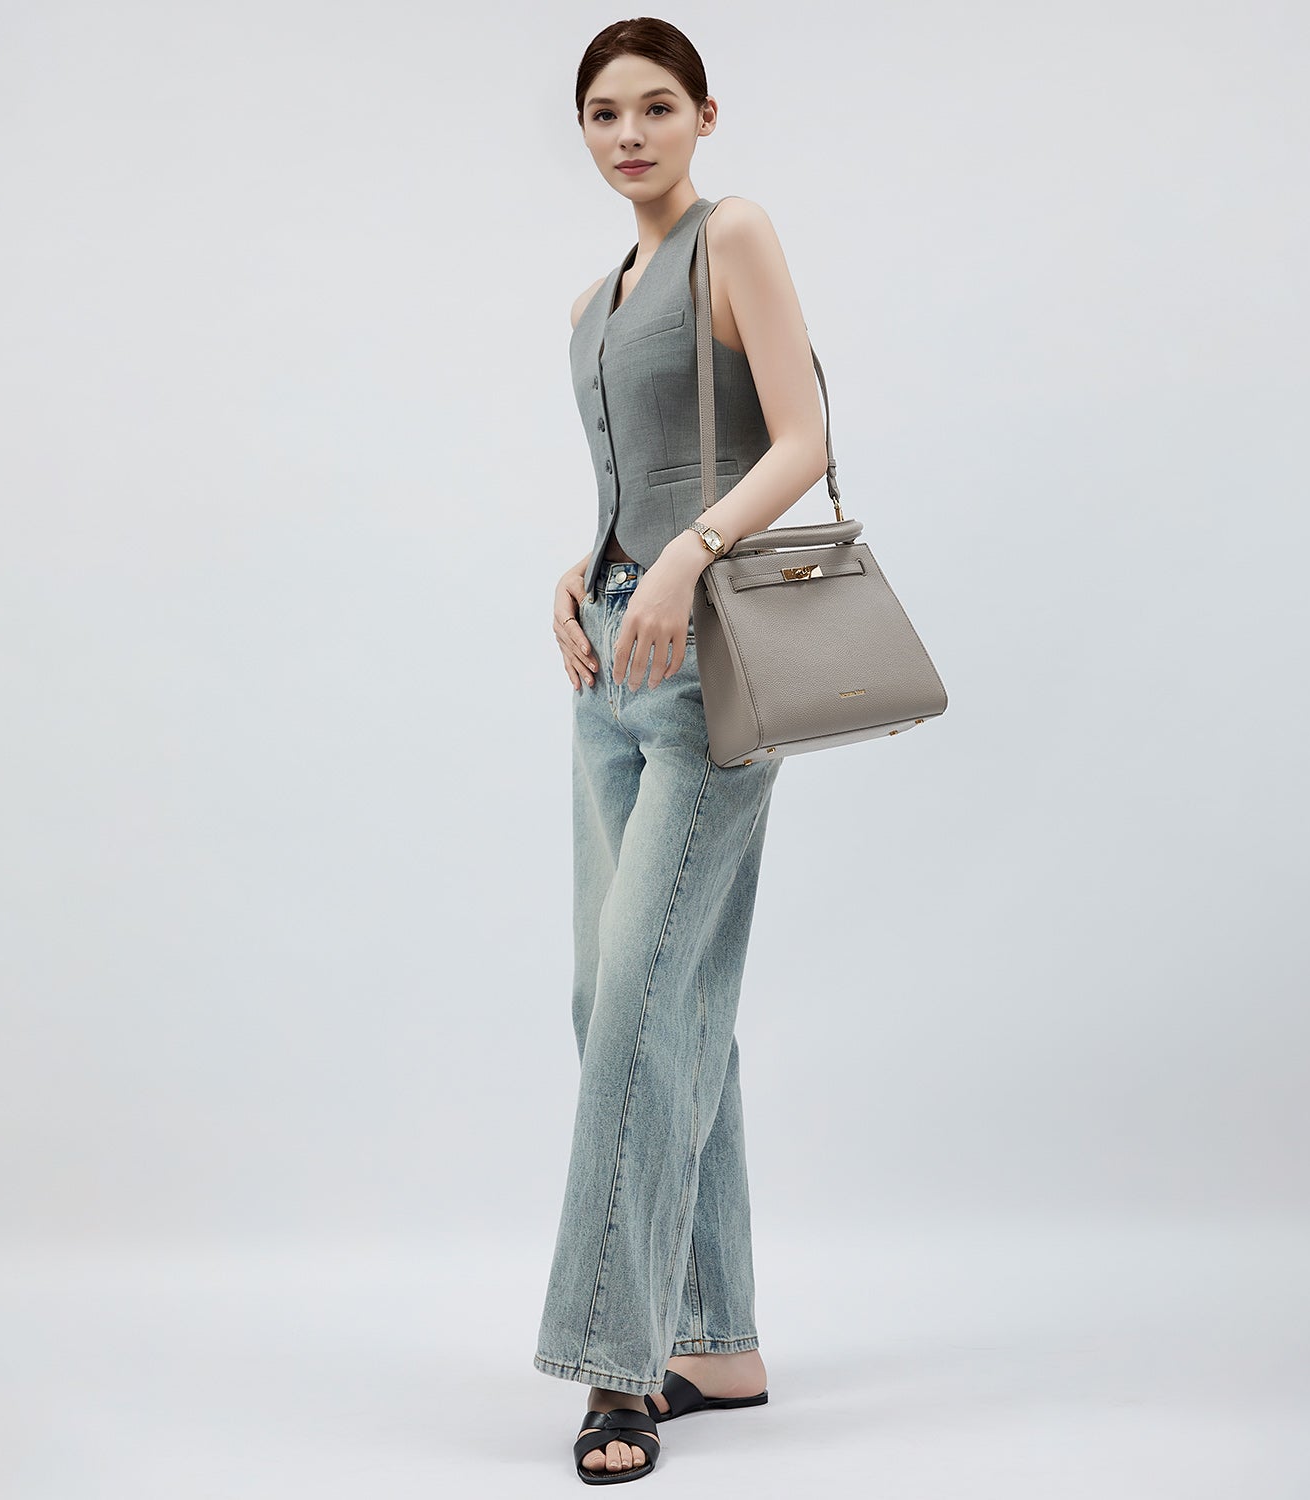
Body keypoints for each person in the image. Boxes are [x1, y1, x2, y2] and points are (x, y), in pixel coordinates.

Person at [535, 18, 830, 1484]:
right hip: (611, 665)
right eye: (605, 113)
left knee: (644, 1007)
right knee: (624, 999)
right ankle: (717, 1337)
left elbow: (803, 439)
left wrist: (686, 556)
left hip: (711, 666)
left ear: (705, 116)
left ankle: (618, 1363)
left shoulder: (735, 237)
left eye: (656, 107)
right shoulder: (591, 300)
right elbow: (633, 479)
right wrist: (582, 573)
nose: (629, 134)